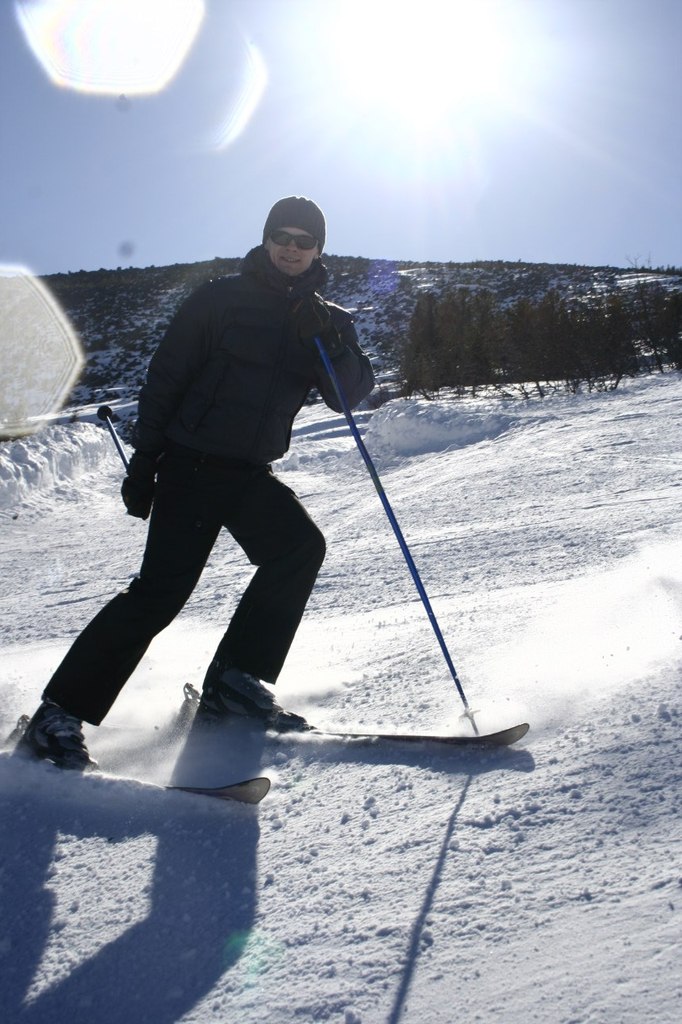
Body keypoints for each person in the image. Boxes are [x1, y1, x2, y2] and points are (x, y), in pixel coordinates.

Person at [20, 196, 375, 770]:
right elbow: (166, 379)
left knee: (298, 548)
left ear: (318, 250)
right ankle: (57, 714)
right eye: (281, 236)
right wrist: (145, 463)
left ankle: (235, 683)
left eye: (303, 240)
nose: (291, 247)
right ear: (265, 239)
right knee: (161, 593)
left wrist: (329, 342)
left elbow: (347, 396)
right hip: (191, 465)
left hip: (250, 472)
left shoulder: (329, 319)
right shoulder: (219, 300)